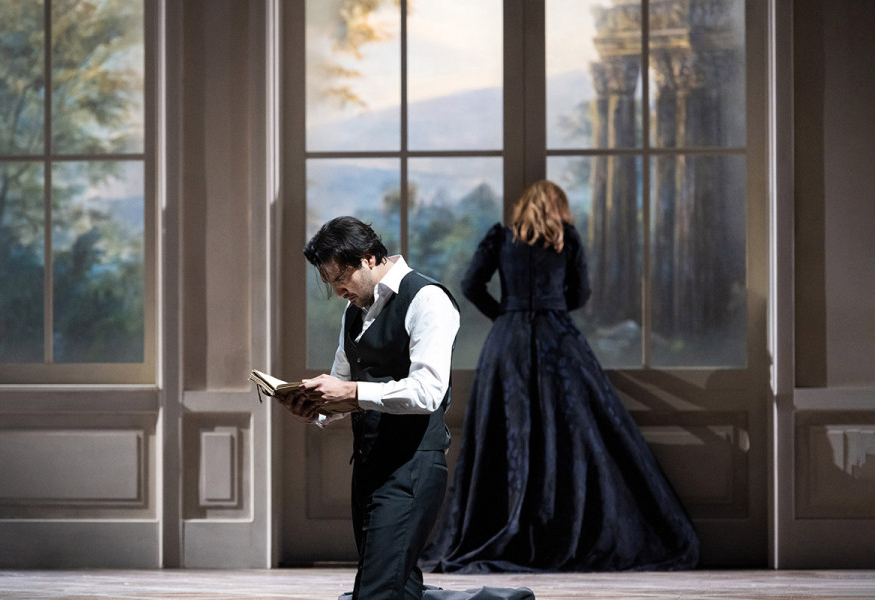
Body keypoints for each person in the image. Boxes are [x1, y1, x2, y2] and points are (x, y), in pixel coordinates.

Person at [420, 180, 700, 574]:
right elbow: (581, 293)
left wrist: (506, 314)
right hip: (559, 340)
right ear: (559, 206)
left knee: (506, 432)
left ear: (523, 207)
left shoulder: (501, 237)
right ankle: (562, 526)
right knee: (575, 433)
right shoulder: (565, 238)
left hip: (508, 343)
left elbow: (470, 285)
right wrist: (553, 308)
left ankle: (507, 525)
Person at [279, 216, 461, 600]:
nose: (338, 291)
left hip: (412, 467)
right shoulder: (353, 311)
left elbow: (428, 392)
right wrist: (316, 408)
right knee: (399, 588)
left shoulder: (427, 299)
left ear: (368, 258)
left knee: (376, 591)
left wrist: (351, 391)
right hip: (368, 466)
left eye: (341, 278)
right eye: (329, 283)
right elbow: (343, 384)